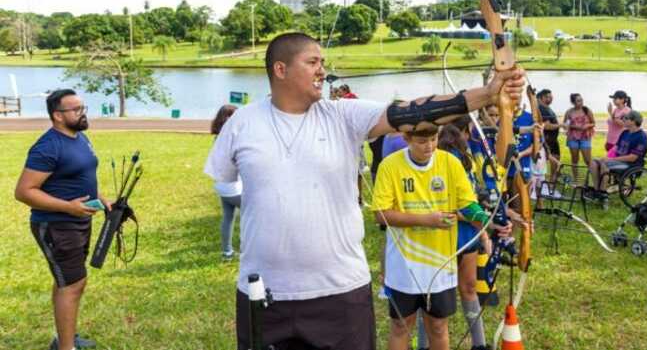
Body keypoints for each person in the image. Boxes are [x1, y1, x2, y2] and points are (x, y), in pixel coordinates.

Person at [203, 32, 525, 350]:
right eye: (312, 62)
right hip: (263, 293)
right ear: (280, 69)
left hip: (341, 291)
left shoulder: (342, 115)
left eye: (323, 62)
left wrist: (487, 93)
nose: (322, 71)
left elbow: (413, 112)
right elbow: (226, 179)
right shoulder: (242, 123)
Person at [372, 126, 512, 350]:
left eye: (433, 139)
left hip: (440, 265)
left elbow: (467, 204)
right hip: (403, 264)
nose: (429, 146)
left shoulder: (449, 162)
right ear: (406, 138)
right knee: (400, 326)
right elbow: (381, 214)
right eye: (421, 141)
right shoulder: (390, 165)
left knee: (438, 326)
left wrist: (490, 221)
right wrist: (427, 220)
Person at [14, 89, 112, 350]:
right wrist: (68, 207)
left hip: (78, 219)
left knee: (66, 282)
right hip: (56, 225)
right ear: (57, 116)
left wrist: (101, 198)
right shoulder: (47, 147)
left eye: (83, 108)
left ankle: (65, 338)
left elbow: (80, 174)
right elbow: (24, 192)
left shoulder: (80, 137)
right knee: (73, 283)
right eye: (76, 109)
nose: (83, 113)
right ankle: (66, 347)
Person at [438, 121, 492, 350]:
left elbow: (471, 203)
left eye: (457, 150)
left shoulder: (465, 166)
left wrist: (483, 233)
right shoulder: (436, 171)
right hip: (441, 237)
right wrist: (475, 219)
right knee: (436, 295)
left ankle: (479, 344)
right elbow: (444, 209)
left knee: (469, 287)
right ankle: (425, 344)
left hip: (467, 236)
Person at [588, 110, 647, 194]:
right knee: (594, 162)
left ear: (633, 121)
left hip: (631, 165)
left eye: (626, 118)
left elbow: (632, 158)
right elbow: (616, 148)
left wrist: (611, 160)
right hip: (618, 161)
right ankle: (596, 189)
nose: (623, 120)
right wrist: (607, 157)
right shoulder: (625, 132)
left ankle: (602, 192)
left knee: (604, 164)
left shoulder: (642, 137)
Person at [210, 104, 241, 259]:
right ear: (228, 118)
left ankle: (227, 252)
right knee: (255, 216)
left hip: (222, 186)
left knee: (228, 218)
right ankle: (250, 251)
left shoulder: (218, 137)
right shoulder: (232, 138)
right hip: (234, 188)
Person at [563, 93, 595, 181]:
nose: (581, 102)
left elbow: (593, 123)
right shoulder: (569, 112)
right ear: (573, 102)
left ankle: (593, 177)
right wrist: (574, 127)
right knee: (574, 159)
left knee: (588, 160)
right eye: (578, 101)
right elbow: (565, 125)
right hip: (573, 138)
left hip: (585, 137)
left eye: (581, 100)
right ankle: (576, 179)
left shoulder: (586, 110)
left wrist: (587, 126)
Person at [536, 89, 561, 163]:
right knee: (546, 158)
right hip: (547, 139)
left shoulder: (547, 107)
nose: (550, 98)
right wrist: (561, 125)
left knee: (556, 157)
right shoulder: (541, 109)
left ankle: (554, 175)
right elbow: (547, 126)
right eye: (547, 97)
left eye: (551, 97)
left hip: (553, 139)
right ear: (541, 98)